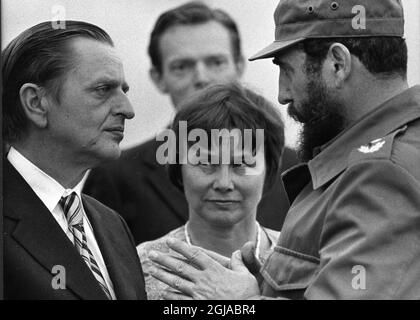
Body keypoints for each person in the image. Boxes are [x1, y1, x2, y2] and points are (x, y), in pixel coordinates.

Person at [148, 0, 420, 299]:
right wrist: (263, 287)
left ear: (337, 64)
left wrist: (244, 302)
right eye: (206, 164)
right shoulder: (387, 158)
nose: (282, 93)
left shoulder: (381, 172)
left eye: (288, 70)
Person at [83, 1, 298, 245]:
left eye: (215, 62)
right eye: (182, 67)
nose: (202, 78)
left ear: (239, 65)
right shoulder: (115, 176)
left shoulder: (298, 170)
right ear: (158, 77)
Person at [3, 21, 146, 300]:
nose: (127, 110)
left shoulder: (112, 224)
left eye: (124, 91)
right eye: (103, 89)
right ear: (35, 102)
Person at [137, 83, 284, 299]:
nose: (224, 183)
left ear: (269, 168)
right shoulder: (140, 266)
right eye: (206, 163)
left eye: (240, 164)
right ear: (179, 167)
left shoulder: (303, 263)